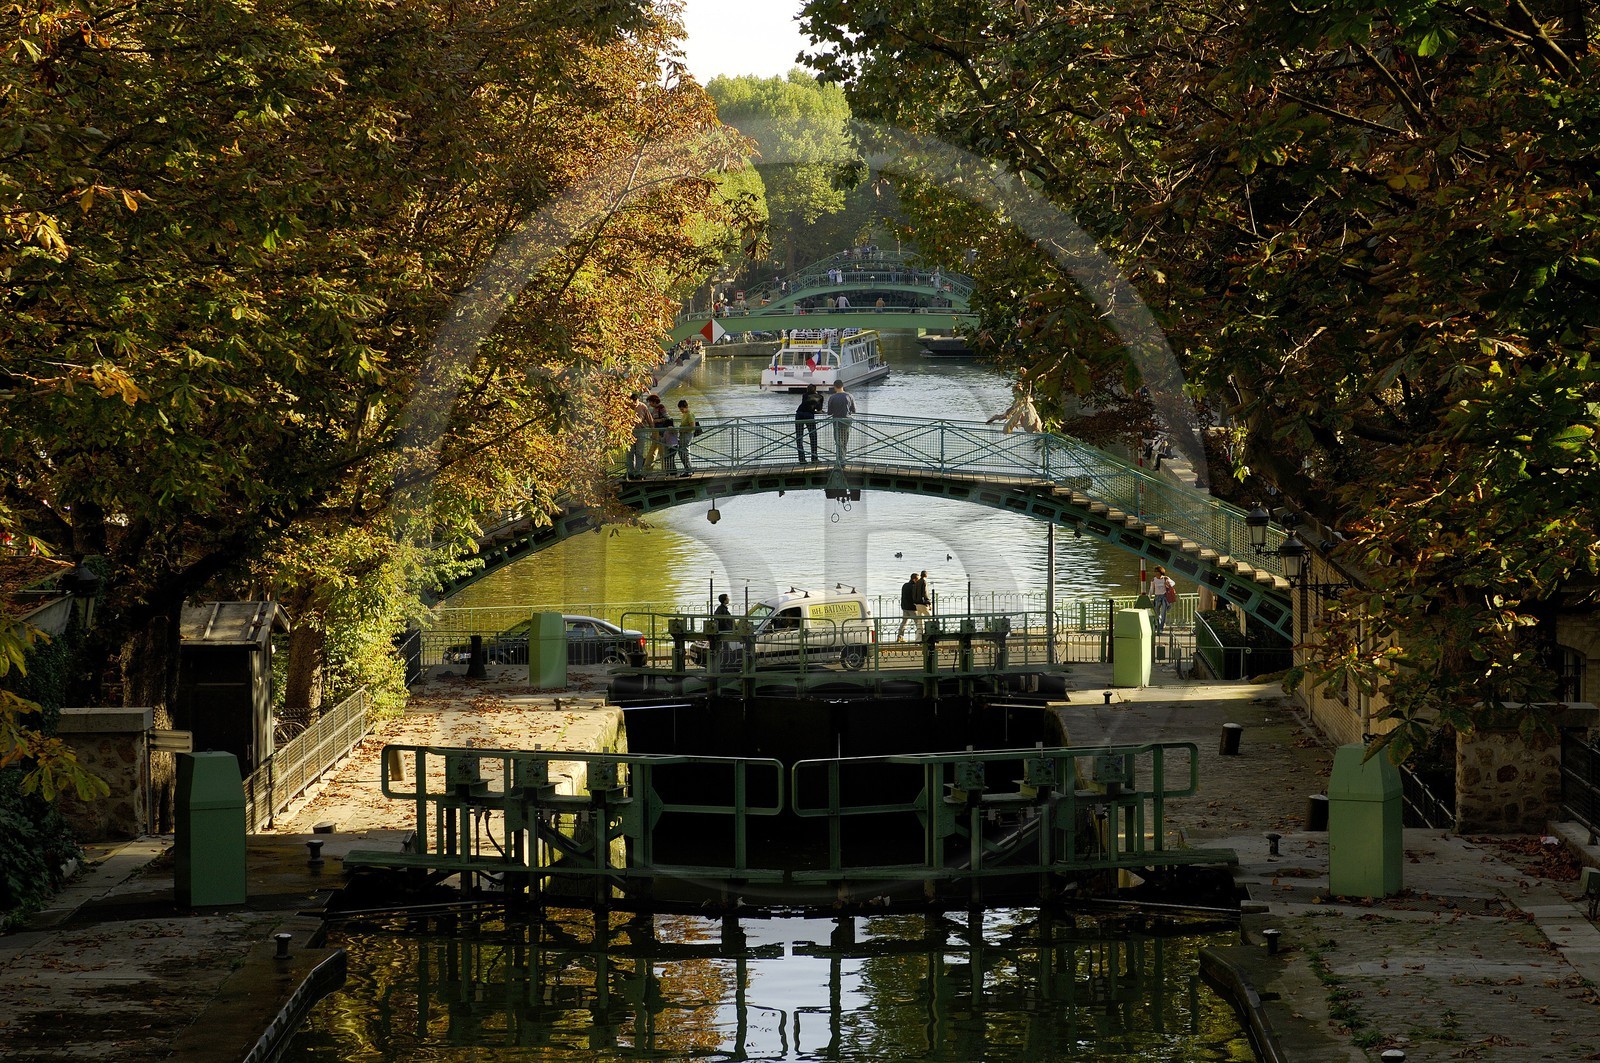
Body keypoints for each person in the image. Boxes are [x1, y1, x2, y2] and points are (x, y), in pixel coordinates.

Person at [825, 380, 855, 461]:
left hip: (837, 421)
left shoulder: (832, 397)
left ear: (835, 387)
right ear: (842, 386)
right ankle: (843, 458)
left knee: (838, 441)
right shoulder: (850, 396)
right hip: (847, 420)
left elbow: (829, 412)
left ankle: (840, 460)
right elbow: (854, 410)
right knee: (845, 441)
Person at [794, 383, 822, 462]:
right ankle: (814, 458)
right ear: (815, 390)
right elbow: (819, 409)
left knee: (799, 437)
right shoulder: (819, 397)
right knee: (813, 436)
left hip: (799, 414)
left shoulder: (804, 395)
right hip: (809, 415)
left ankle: (802, 459)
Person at [628, 392, 653, 477]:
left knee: (639, 452)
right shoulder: (627, 406)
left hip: (640, 431)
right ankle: (630, 472)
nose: (634, 403)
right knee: (629, 453)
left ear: (638, 400)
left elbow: (650, 419)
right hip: (629, 432)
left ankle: (638, 471)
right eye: (632, 401)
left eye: (635, 401)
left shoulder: (643, 407)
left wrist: (654, 431)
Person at [1148, 565, 1177, 634]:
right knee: (1156, 612)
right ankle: (1157, 625)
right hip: (1157, 597)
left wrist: (1167, 583)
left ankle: (1161, 628)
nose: (1156, 574)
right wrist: (1149, 597)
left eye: (1157, 572)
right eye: (1155, 572)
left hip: (1164, 597)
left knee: (1163, 613)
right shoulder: (1154, 580)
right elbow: (1151, 589)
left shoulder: (1165, 578)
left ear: (1161, 572)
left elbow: (1173, 583)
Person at [674, 398, 697, 476]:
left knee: (684, 452)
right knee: (682, 452)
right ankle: (688, 468)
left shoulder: (690, 414)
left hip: (687, 435)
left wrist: (683, 429)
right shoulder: (685, 414)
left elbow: (692, 427)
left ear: (685, 407)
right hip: (683, 435)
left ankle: (689, 470)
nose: (681, 410)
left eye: (681, 409)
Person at [713, 593, 736, 668]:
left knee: (726, 648)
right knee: (726, 649)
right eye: (727, 598)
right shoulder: (723, 610)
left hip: (722, 631)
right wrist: (731, 630)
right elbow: (724, 622)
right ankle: (728, 665)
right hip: (724, 632)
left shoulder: (721, 609)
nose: (728, 599)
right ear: (724, 600)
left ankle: (727, 664)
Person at [896, 572, 920, 641]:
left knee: (904, 623)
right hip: (912, 608)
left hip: (904, 607)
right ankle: (919, 639)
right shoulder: (914, 587)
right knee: (918, 623)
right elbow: (915, 598)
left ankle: (899, 637)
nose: (918, 581)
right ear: (914, 579)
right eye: (917, 579)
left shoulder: (905, 585)